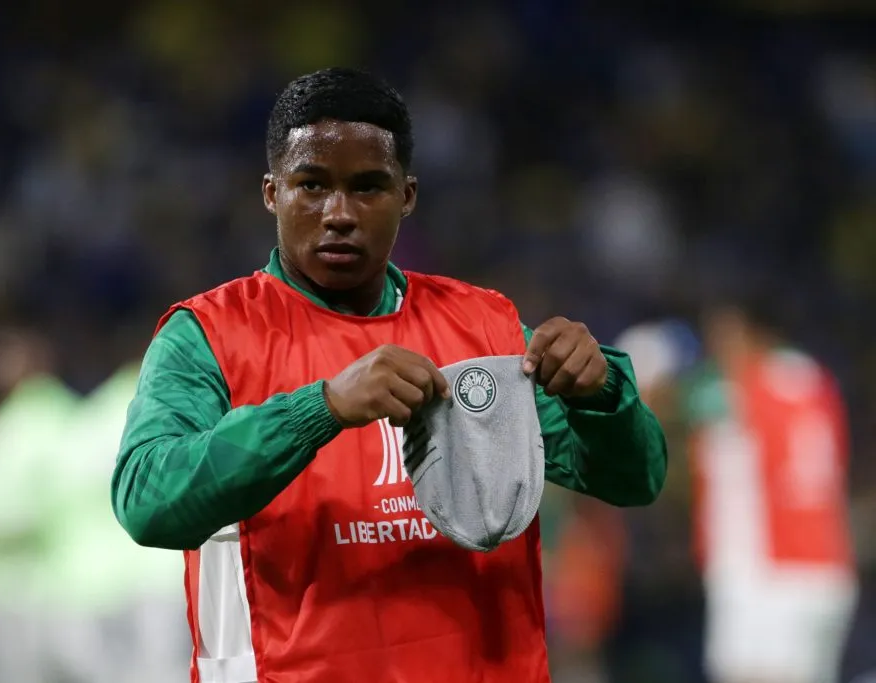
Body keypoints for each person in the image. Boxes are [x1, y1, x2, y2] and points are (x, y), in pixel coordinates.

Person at [111, 67, 668, 683]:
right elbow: (147, 503)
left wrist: (601, 393)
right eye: (311, 186)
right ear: (272, 193)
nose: (339, 213)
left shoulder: (486, 328)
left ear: (407, 195)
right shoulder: (209, 335)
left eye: (368, 187)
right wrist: (319, 408)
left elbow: (635, 477)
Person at [686, 293, 858, 683]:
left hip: (765, 577)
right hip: (829, 571)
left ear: (749, 334)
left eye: (722, 335)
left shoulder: (734, 389)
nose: (716, 349)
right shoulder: (816, 381)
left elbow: (674, 412)